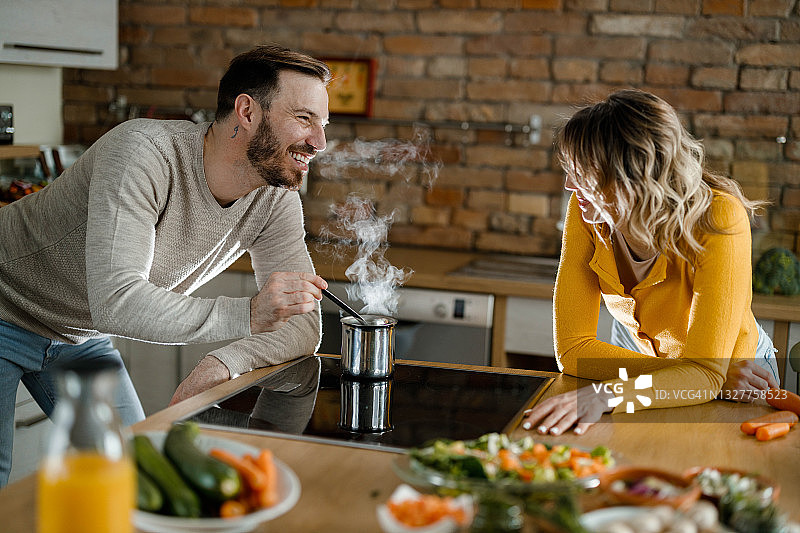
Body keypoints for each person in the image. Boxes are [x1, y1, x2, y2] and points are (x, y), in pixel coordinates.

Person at [0, 44, 331, 485]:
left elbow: (303, 326)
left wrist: (223, 364)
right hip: (4, 306)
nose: (320, 143)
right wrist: (249, 316)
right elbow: (117, 302)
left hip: (78, 336)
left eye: (323, 125)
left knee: (136, 480)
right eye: (305, 119)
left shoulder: (276, 199)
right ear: (247, 112)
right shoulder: (143, 153)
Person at [522, 89, 780, 437]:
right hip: (691, 368)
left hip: (742, 374)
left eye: (584, 173)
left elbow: (704, 371)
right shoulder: (587, 214)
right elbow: (573, 349)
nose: (570, 186)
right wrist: (694, 377)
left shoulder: (719, 217)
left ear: (635, 173)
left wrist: (612, 392)